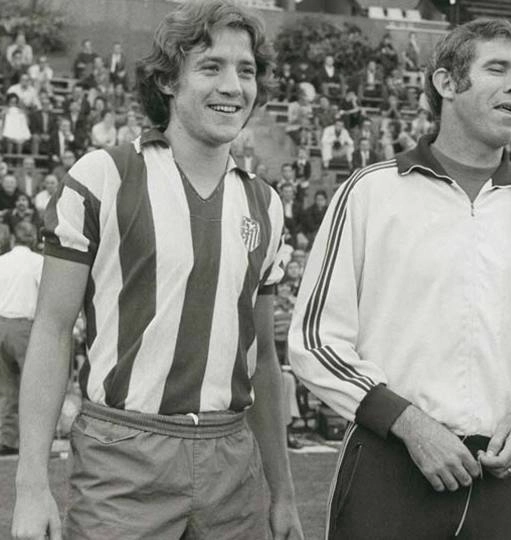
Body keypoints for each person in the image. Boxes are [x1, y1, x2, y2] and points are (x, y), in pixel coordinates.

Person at [289, 18, 511, 539]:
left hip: (507, 475)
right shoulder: (369, 193)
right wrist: (409, 424)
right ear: (446, 83)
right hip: (391, 462)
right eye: (496, 68)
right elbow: (316, 340)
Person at [11, 3, 303, 539]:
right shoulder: (104, 176)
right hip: (123, 457)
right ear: (168, 79)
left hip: (232, 464)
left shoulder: (266, 204)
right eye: (211, 66)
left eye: (246, 70)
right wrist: (31, 485)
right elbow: (51, 333)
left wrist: (283, 493)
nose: (233, 86)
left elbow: (261, 359)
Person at [0, 222, 43, 456]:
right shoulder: (38, 262)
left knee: (6, 389)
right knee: (33, 387)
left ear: (14, 240)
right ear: (34, 240)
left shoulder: (2, 261)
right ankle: (31, 440)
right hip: (25, 326)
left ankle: (7, 439)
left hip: (1, 323)